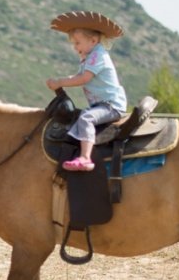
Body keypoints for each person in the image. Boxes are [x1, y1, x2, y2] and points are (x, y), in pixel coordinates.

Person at [46, 11, 127, 171]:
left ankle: (85, 158)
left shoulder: (98, 56)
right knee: (80, 118)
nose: (75, 47)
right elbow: (78, 75)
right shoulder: (90, 56)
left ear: (93, 40)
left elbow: (84, 79)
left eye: (77, 43)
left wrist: (61, 82)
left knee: (86, 118)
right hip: (101, 104)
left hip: (111, 105)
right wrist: (60, 81)